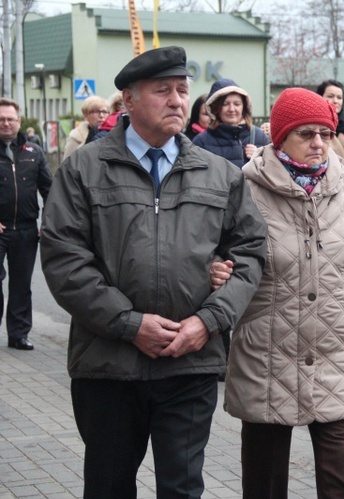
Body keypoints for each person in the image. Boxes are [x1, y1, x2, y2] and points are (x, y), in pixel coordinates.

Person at [39, 46, 268, 498]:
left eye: (183, 90)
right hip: (108, 368)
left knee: (182, 490)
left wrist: (209, 321)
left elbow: (251, 253)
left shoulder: (220, 174)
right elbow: (64, 257)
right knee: (108, 486)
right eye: (162, 90)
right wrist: (129, 324)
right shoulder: (85, 168)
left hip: (190, 366)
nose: (177, 100)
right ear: (128, 100)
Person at [221, 87, 344, 498]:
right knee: (264, 484)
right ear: (279, 139)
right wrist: (214, 272)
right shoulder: (244, 192)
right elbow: (219, 262)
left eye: (325, 134)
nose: (318, 143)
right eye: (306, 133)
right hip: (267, 359)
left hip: (341, 356)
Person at [0, 98, 52, 351]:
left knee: (21, 285)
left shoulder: (34, 152)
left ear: (19, 121)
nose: (6, 123)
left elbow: (49, 190)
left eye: (11, 118)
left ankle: (18, 334)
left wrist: (49, 222)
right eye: (1, 119)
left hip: (26, 229)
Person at [192, 78, 270, 167]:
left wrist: (259, 158)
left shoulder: (259, 136)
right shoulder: (201, 142)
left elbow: (272, 174)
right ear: (215, 108)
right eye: (225, 104)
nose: (231, 109)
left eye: (237, 104)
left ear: (244, 107)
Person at [63, 94, 108, 160]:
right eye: (96, 111)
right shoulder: (76, 137)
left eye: (104, 111)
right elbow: (67, 165)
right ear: (86, 115)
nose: (101, 115)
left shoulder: (113, 134)